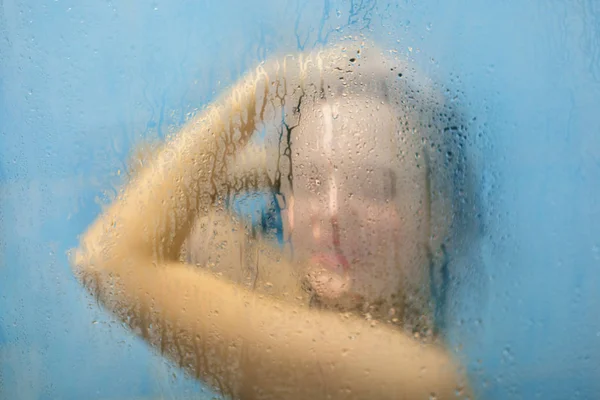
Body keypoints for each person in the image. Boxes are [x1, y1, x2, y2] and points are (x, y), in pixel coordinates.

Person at [72, 40, 475, 399]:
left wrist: (273, 81)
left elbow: (108, 261)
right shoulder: (294, 291)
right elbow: (145, 169)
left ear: (437, 218)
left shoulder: (419, 378)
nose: (332, 211)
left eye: (372, 186)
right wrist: (273, 164)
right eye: (311, 182)